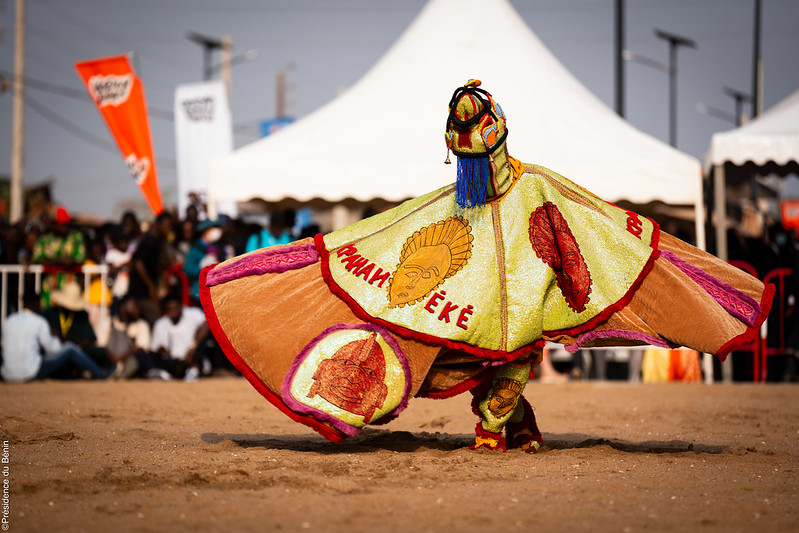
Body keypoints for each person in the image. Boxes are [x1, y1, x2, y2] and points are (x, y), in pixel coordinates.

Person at [200, 80, 773, 451]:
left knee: (512, 353)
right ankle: (516, 424)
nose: (465, 152)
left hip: (529, 306)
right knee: (465, 355)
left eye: (473, 138)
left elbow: (593, 226)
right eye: (461, 140)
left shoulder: (540, 189)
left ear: (491, 137)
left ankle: (498, 427)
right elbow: (387, 231)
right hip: (476, 309)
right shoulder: (455, 201)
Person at [1, 291, 107, 382]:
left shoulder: (8, 320)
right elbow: (53, 349)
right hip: (31, 373)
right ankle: (99, 373)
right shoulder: (39, 321)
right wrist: (57, 339)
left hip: (7, 375)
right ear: (36, 304)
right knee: (70, 348)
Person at [143, 294, 210, 381]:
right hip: (172, 361)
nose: (173, 311)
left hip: (191, 358)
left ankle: (193, 371)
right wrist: (162, 351)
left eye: (175, 308)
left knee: (201, 343)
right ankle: (161, 373)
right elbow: (154, 347)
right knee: (144, 354)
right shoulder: (160, 323)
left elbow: (207, 324)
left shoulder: (193, 313)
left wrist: (193, 346)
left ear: (181, 306)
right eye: (170, 309)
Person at [127, 212, 175, 324]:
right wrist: (151, 286)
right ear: (158, 224)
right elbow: (138, 264)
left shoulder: (159, 242)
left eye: (170, 226)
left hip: (145, 291)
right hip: (142, 293)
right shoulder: (150, 241)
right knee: (157, 320)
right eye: (165, 225)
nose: (168, 228)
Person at [95, 295, 151, 379]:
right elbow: (101, 346)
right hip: (108, 361)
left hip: (128, 363)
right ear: (122, 307)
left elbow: (142, 348)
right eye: (134, 305)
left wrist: (121, 358)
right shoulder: (107, 322)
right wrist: (113, 359)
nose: (137, 310)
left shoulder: (141, 325)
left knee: (134, 362)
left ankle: (118, 377)